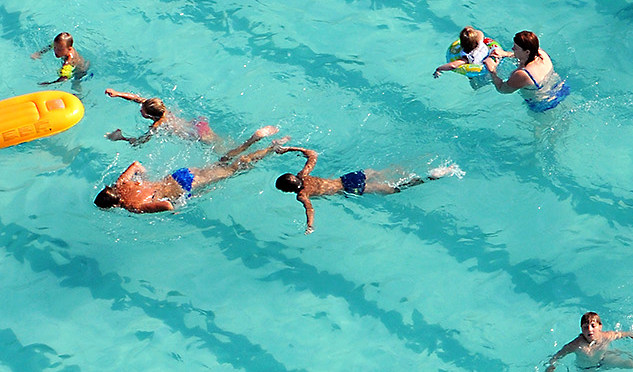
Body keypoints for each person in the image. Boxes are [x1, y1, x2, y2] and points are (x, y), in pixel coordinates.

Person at [95, 128, 286, 214]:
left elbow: (168, 206)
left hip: (186, 185)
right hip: (178, 174)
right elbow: (137, 164)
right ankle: (252, 141)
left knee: (234, 168)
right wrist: (146, 179)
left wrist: (179, 206)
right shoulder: (121, 184)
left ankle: (266, 146)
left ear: (113, 206)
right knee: (221, 163)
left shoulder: (133, 206)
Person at [271, 146, 459, 233]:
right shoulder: (304, 174)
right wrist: (288, 149)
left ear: (289, 190)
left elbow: (309, 209)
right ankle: (417, 170)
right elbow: (312, 155)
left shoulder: (302, 195)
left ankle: (430, 177)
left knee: (394, 189)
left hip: (348, 189)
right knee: (381, 172)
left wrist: (310, 225)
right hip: (348, 177)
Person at [102, 89, 223, 148]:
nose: (140, 109)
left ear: (150, 116)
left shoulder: (157, 125)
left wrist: (122, 138)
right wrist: (118, 94)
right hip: (198, 124)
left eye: (142, 111)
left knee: (219, 148)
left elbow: (140, 142)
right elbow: (136, 98)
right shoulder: (161, 109)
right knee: (221, 141)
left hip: (195, 135)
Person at [482, 30, 569, 111]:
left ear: (527, 52)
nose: (512, 49)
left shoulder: (522, 74)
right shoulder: (541, 53)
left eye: (515, 48)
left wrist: (492, 70)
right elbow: (524, 56)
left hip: (544, 104)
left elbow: (502, 89)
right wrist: (506, 54)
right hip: (561, 90)